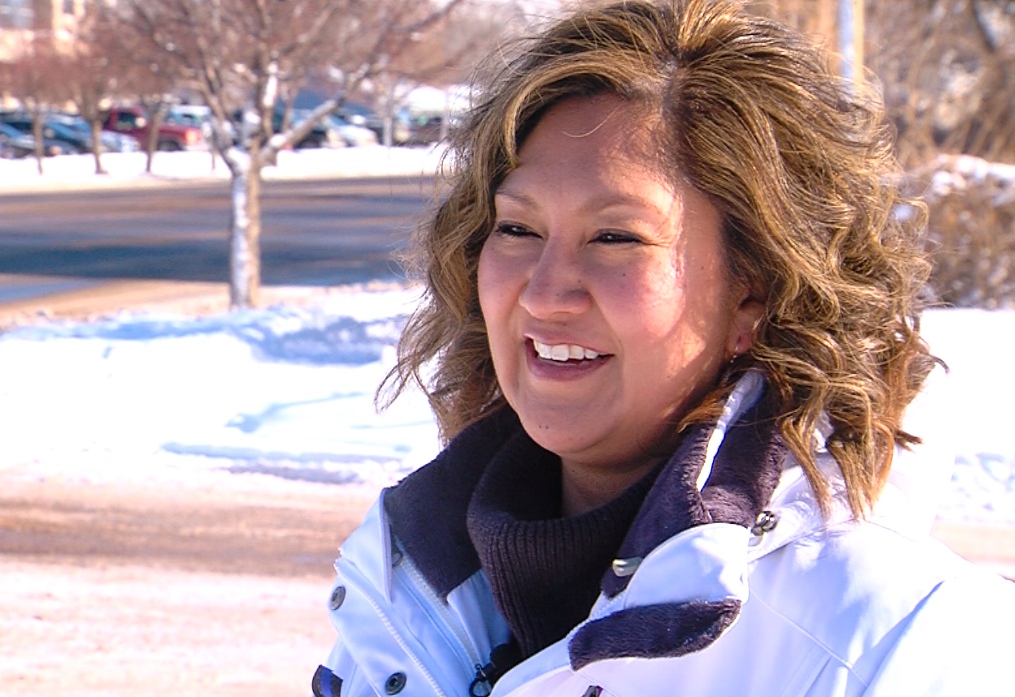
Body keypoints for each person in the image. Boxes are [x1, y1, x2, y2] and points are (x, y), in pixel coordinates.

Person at [314, 1, 1015, 695]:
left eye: (615, 237)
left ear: (756, 289)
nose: (543, 292)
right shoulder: (406, 587)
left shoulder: (889, 641)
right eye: (518, 229)